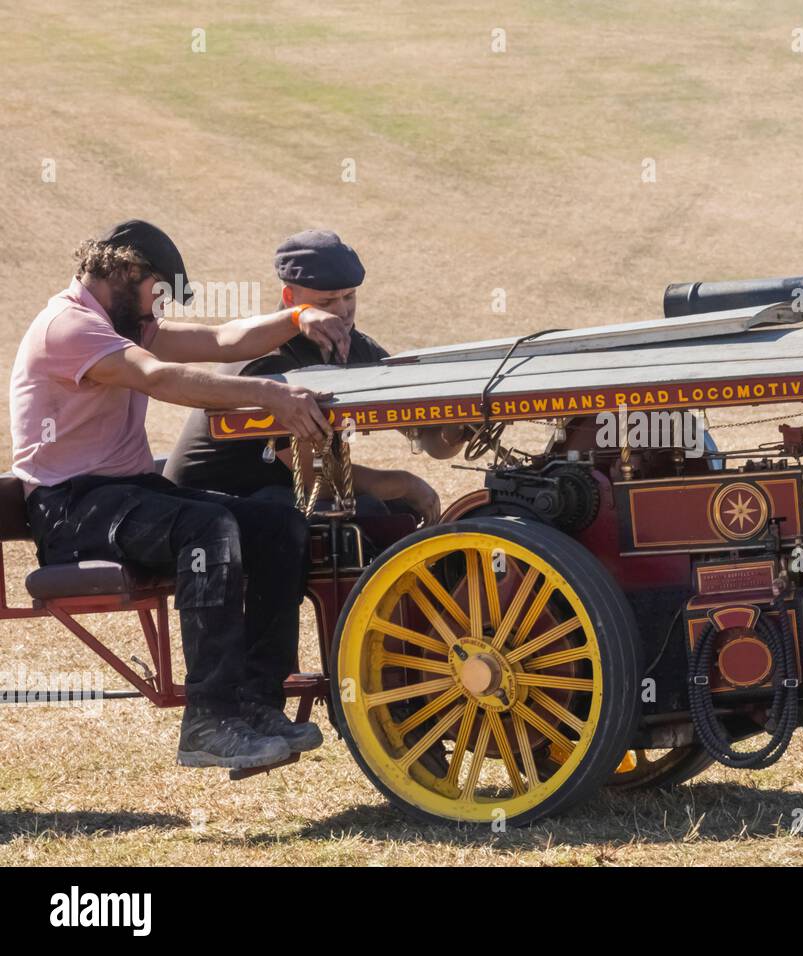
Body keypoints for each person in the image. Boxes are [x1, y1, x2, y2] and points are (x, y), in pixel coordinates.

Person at [9, 219, 350, 770]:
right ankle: (208, 721)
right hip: (71, 509)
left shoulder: (124, 323)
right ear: (124, 273)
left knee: (276, 523)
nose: (157, 313)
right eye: (155, 297)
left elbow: (222, 341)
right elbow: (161, 378)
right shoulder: (70, 328)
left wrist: (297, 317)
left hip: (125, 494)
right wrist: (271, 393)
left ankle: (258, 703)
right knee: (208, 529)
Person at [164, 229, 467, 519]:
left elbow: (431, 440)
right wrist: (404, 483)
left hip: (277, 492)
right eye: (327, 301)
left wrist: (459, 427)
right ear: (289, 296)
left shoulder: (356, 347)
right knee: (372, 511)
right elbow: (314, 478)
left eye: (350, 297)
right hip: (215, 502)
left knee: (398, 510)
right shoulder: (269, 362)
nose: (343, 310)